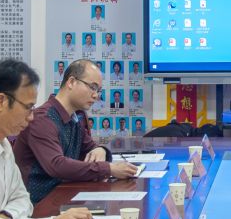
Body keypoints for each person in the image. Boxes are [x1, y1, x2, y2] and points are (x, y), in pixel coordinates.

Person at [0, 60, 90, 219]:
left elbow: (23, 200)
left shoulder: (4, 145)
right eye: (28, 108)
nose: (31, 117)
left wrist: (6, 216)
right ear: (1, 101)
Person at [12, 59, 138, 204]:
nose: (96, 95)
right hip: (36, 205)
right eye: (92, 87)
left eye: (98, 91)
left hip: (63, 197)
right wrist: (109, 169)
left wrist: (101, 150)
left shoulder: (74, 117)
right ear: (71, 82)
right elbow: (57, 165)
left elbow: (90, 147)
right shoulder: (42, 119)